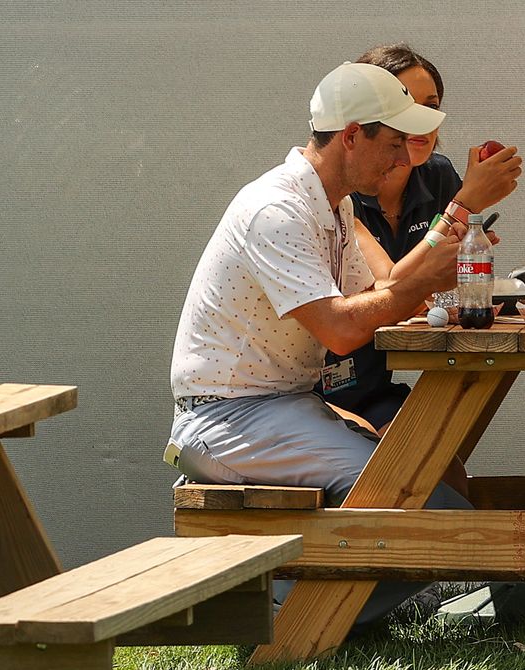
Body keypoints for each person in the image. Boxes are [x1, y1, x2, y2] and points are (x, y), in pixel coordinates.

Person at [168, 61, 474, 627]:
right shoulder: (277, 209)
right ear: (353, 135)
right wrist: (422, 282)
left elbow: (375, 296)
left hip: (273, 408)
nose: (406, 159)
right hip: (228, 418)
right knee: (420, 503)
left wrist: (427, 269)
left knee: (425, 488)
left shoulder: (331, 205)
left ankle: (326, 603)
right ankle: (288, 612)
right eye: (395, 142)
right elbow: (341, 328)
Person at [319, 44, 521, 452]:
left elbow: (426, 288)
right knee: (410, 461)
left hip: (378, 380)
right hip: (322, 389)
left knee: (440, 459)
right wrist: (464, 206)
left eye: (432, 106)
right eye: (407, 107)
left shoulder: (438, 174)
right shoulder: (341, 189)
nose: (422, 123)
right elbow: (390, 280)